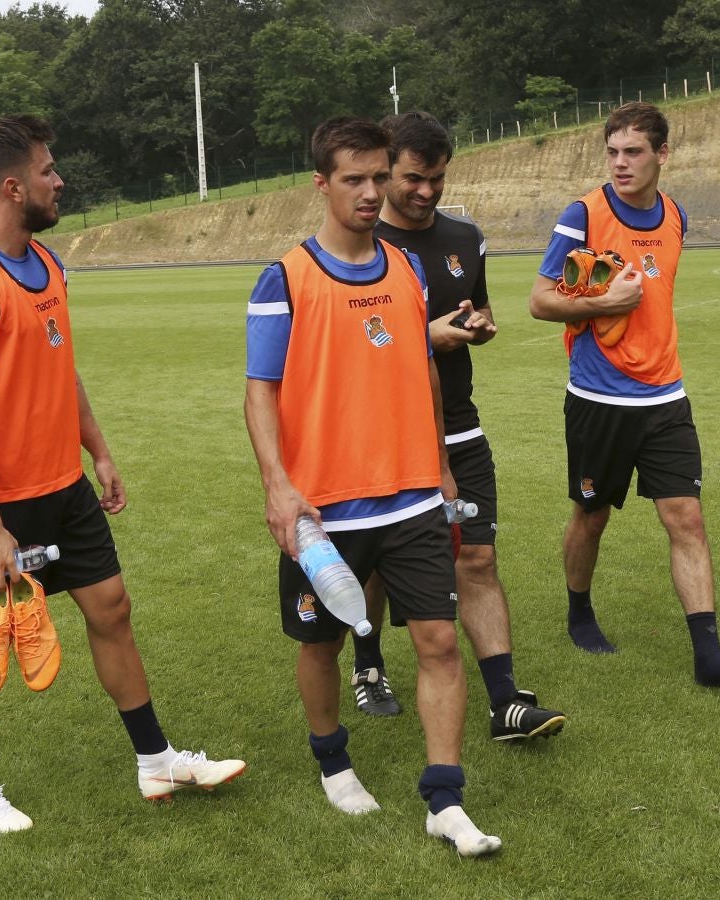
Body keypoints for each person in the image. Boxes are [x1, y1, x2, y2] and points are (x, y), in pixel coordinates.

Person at [0, 114, 244, 834]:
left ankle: (154, 759)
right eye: (46, 169)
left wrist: (97, 449)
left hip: (61, 485)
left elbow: (58, 371)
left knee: (112, 609)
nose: (58, 179)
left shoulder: (49, 264)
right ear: (12, 186)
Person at [243, 116, 500, 856]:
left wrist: (442, 462)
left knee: (438, 641)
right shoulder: (284, 278)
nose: (371, 192)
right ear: (320, 184)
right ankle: (333, 761)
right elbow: (260, 393)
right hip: (322, 508)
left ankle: (443, 798)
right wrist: (278, 488)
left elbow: (418, 366)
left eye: (379, 177)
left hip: (414, 493)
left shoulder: (405, 269)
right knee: (322, 643)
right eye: (354, 179)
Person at [527, 101, 720, 688]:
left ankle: (709, 655)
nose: (620, 164)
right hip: (598, 399)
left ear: (662, 154)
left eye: (633, 152)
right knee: (592, 515)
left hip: (665, 395)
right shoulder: (582, 214)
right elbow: (540, 301)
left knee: (686, 518)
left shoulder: (675, 217)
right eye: (612, 152)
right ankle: (579, 611)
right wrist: (601, 304)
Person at [345, 110, 567, 741]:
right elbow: (349, 346)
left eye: (437, 179)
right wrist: (424, 338)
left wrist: (477, 324)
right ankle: (367, 666)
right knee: (379, 566)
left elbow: (479, 301)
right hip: (381, 433)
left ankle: (505, 702)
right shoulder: (359, 245)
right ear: (386, 170)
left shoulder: (465, 237)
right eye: (414, 178)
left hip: (458, 426)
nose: (426, 192)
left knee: (478, 557)